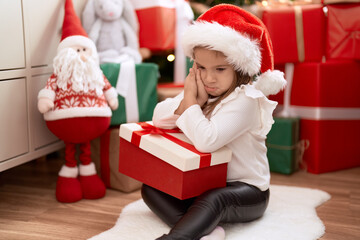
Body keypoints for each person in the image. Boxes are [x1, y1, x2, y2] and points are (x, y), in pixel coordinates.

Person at [141, 4, 286, 240]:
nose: (209, 78)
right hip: (207, 182)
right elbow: (159, 118)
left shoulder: (247, 100)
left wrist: (191, 102)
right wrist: (188, 100)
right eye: (201, 67)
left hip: (247, 190)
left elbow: (207, 141)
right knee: (152, 188)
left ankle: (178, 237)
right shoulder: (203, 89)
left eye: (220, 69)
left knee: (215, 199)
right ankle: (209, 230)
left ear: (239, 68)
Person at [37, 0, 118, 203]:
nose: (81, 55)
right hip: (64, 118)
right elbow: (50, 87)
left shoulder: (95, 71)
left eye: (84, 50)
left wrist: (112, 97)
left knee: (85, 147)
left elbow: (106, 86)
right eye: (76, 51)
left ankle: (88, 174)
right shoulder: (60, 73)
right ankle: (70, 174)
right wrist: (46, 99)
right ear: (64, 53)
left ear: (91, 52)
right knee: (71, 147)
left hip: (95, 117)